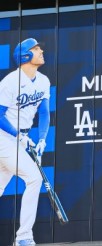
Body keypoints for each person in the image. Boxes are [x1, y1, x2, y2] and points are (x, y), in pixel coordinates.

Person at [0, 38, 50, 246]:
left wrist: (42, 140)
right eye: (36, 49)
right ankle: (23, 238)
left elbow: (45, 112)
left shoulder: (44, 80)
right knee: (34, 178)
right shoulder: (10, 81)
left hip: (22, 138)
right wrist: (19, 136)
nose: (40, 51)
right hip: (5, 137)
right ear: (25, 55)